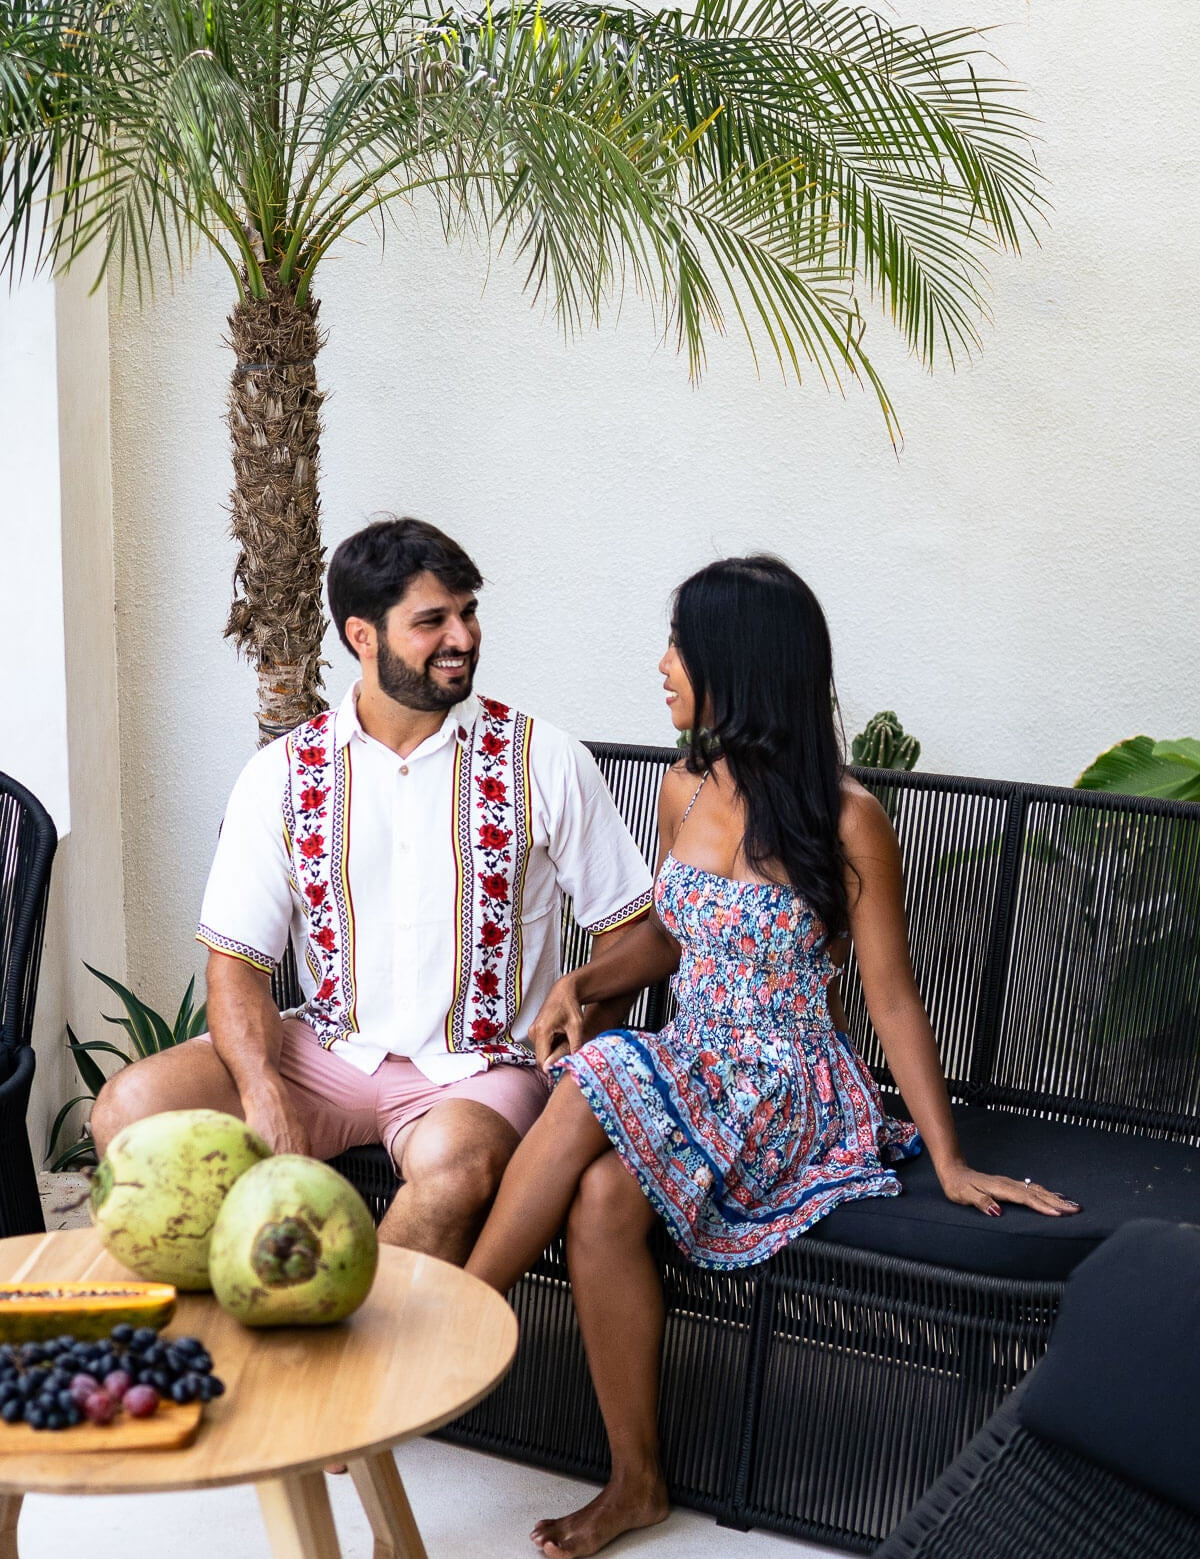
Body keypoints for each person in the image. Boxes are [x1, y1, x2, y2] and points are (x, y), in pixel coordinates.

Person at [465, 555, 1081, 1559]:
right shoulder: (681, 789)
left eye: (682, 646)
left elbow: (888, 996)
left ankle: (454, 1320)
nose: (662, 663)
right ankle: (637, 1480)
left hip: (789, 1086)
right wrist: (588, 980)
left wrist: (951, 1157)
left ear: (738, 668)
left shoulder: (846, 820)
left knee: (605, 1070)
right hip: (696, 1064)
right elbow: (672, 935)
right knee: (605, 1196)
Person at [91, 517, 653, 1262]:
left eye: (468, 611)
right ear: (363, 635)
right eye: (432, 621)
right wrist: (263, 1093)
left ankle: (360, 1353)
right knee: (133, 1105)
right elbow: (235, 964)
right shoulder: (284, 774)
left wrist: (583, 1028)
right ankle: (240, 1322)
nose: (462, 636)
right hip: (326, 1053)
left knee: (453, 1166)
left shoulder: (544, 760)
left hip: (483, 1068)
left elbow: (635, 929)